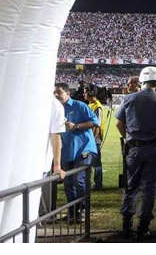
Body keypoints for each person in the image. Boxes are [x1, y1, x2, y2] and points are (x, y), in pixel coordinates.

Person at [116, 66, 156, 240]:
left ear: (142, 80)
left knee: (131, 187)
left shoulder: (129, 98)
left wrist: (128, 137)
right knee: (149, 189)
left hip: (134, 148)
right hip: (155, 148)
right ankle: (143, 227)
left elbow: (119, 123)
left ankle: (126, 226)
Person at [54, 83, 99, 222]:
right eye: (54, 92)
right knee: (68, 183)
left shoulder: (79, 106)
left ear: (68, 93)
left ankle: (84, 211)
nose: (56, 95)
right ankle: (72, 212)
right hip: (67, 151)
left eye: (59, 92)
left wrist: (77, 126)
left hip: (83, 149)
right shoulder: (55, 109)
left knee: (79, 180)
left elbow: (94, 121)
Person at [39, 97, 67, 218]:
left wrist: (57, 166)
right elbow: (56, 136)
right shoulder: (55, 105)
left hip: (40, 163)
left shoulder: (54, 105)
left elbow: (56, 136)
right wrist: (57, 166)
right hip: (40, 163)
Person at [84, 84, 105, 190]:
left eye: (85, 92)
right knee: (89, 162)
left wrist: (91, 140)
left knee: (96, 163)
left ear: (91, 93)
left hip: (94, 139)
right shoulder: (90, 105)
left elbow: (97, 125)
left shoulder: (97, 106)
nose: (84, 94)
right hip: (90, 138)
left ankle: (98, 184)